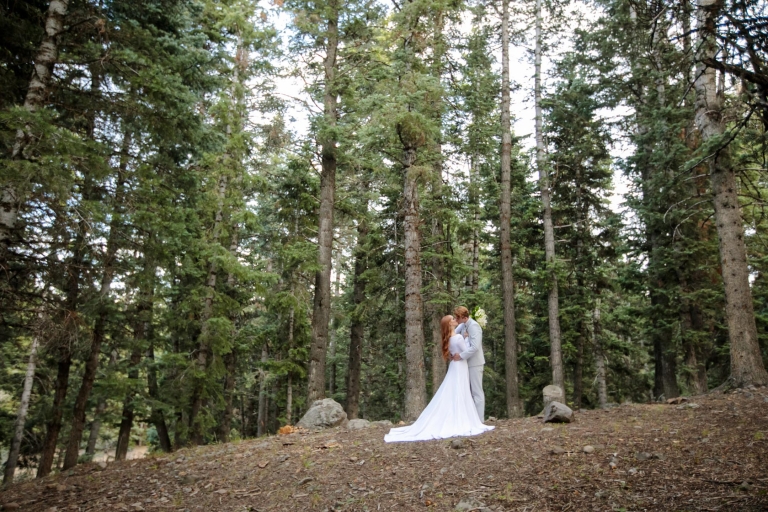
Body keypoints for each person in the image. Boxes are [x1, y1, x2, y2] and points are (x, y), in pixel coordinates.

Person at [384, 315, 494, 443]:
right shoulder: (458, 337)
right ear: (449, 325)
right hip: (460, 366)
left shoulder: (449, 338)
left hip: (454, 366)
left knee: (455, 390)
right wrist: (468, 338)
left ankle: (461, 417)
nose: (455, 320)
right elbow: (467, 350)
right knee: (460, 391)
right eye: (452, 319)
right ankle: (465, 418)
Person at [452, 306, 485, 421]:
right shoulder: (464, 325)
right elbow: (454, 334)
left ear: (464, 317)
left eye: (458, 317)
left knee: (477, 392)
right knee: (470, 392)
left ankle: (479, 420)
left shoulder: (474, 326)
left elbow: (475, 347)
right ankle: (473, 419)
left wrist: (460, 356)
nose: (456, 319)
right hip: (467, 363)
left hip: (475, 363)